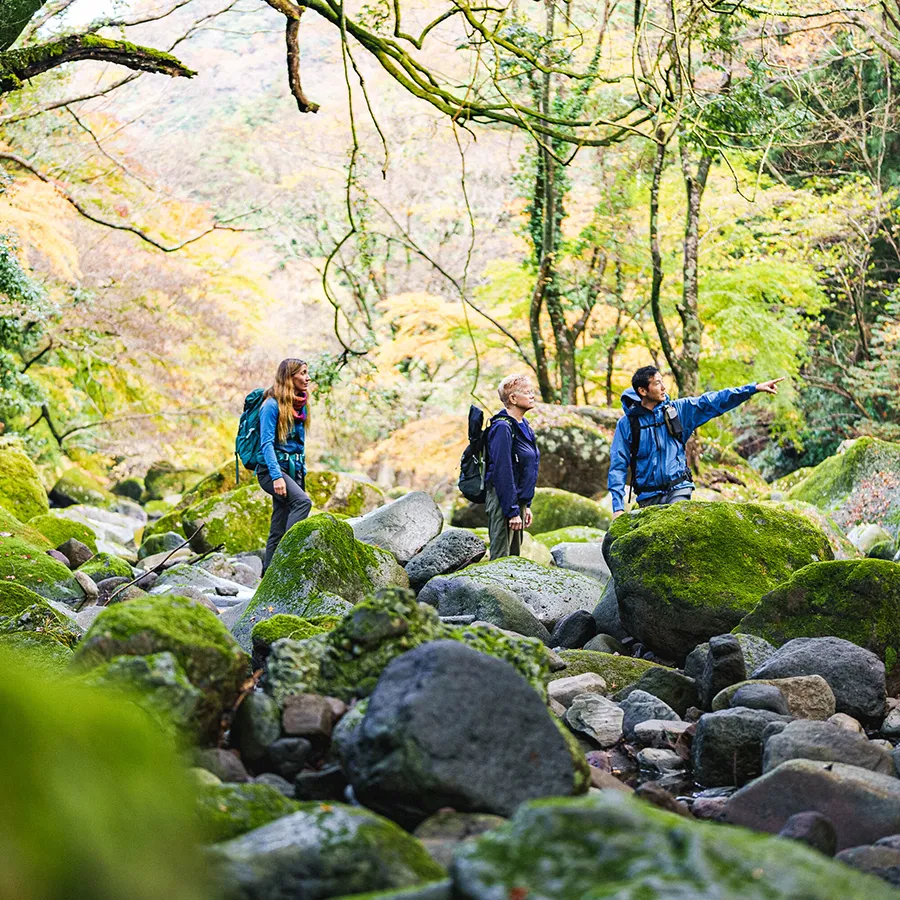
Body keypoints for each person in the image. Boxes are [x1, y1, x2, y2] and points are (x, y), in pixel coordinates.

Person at [608, 366, 785, 518]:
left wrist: (752, 389)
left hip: (678, 488)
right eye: (657, 383)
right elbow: (618, 465)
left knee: (675, 528)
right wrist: (618, 507)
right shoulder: (627, 425)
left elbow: (714, 400)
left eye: (662, 381)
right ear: (642, 391)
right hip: (648, 496)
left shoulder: (678, 410)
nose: (663, 387)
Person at [257, 358, 313, 571]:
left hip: (293, 470)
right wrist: (277, 477)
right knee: (303, 503)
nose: (307, 377)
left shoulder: (299, 404)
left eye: (308, 372)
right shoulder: (271, 405)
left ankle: (268, 578)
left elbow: (298, 445)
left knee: (278, 527)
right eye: (303, 373)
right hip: (271, 471)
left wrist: (301, 470)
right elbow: (266, 445)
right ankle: (288, 562)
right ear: (289, 377)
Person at [483, 374, 541, 559]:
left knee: (514, 558)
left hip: (517, 502)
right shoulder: (502, 427)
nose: (532, 395)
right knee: (501, 558)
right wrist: (512, 510)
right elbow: (503, 471)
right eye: (527, 392)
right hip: (504, 501)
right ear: (513, 398)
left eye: (532, 391)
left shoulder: (524, 426)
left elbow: (527, 467)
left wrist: (526, 505)